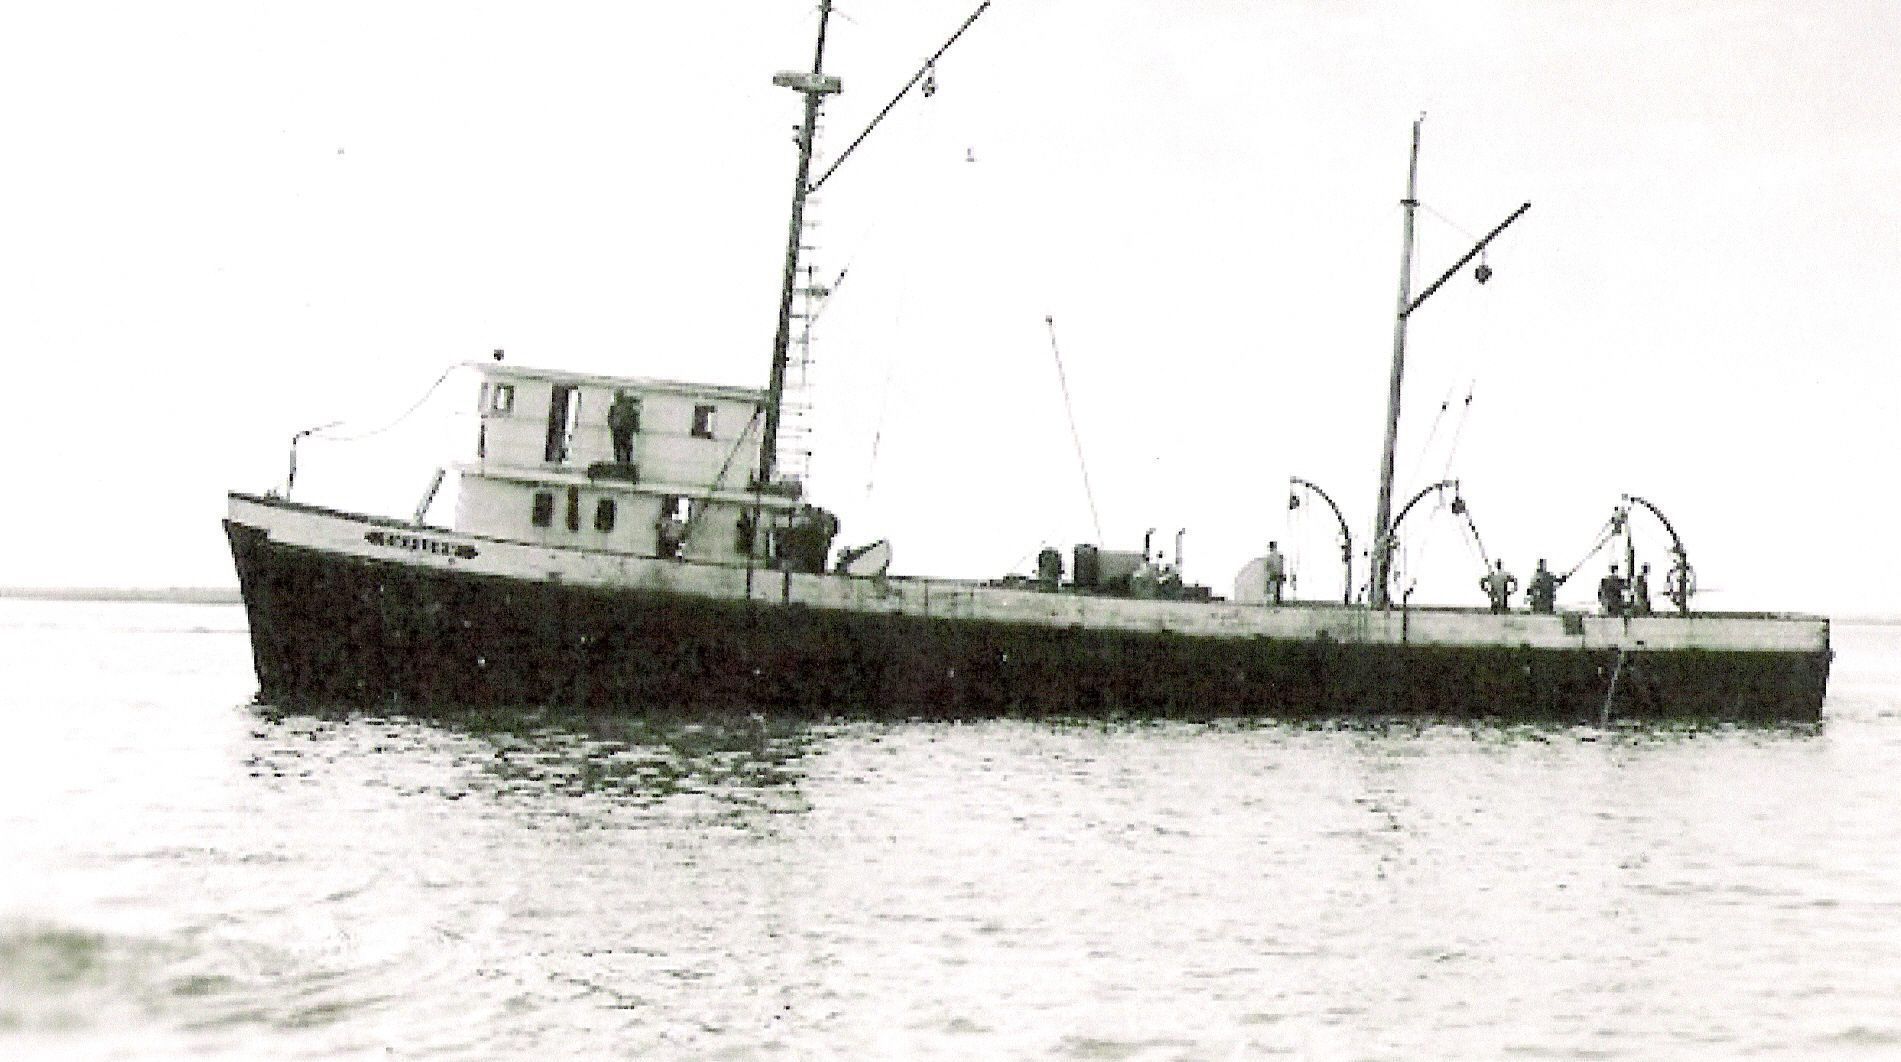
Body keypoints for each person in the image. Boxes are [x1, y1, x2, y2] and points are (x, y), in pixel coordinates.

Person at [607, 391, 640, 465]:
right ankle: (621, 462)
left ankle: (626, 463)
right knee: (619, 447)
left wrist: (636, 427)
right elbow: (610, 419)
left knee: (625, 447)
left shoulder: (626, 407)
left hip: (624, 430)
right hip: (619, 430)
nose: (617, 398)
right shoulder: (614, 408)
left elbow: (634, 417)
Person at [1263, 540, 1286, 605]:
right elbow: (1281, 565)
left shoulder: (1269, 557)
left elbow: (1267, 567)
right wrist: (1282, 574)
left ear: (1271, 547)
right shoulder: (1279, 555)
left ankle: (1273, 600)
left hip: (1273, 574)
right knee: (1278, 588)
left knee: (1271, 587)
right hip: (1279, 574)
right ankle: (1277, 600)